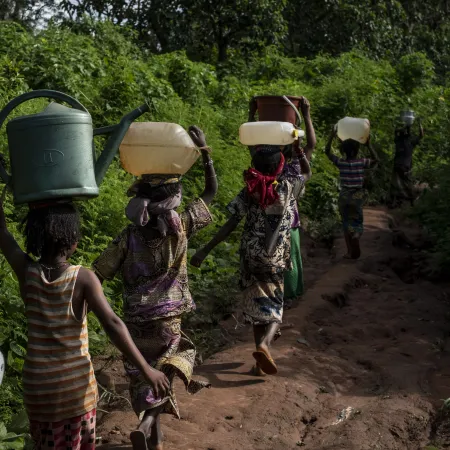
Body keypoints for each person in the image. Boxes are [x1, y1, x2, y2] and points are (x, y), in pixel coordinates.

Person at [0, 200, 169, 450]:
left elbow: (2, 233)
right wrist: (146, 369)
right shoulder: (83, 278)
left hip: (38, 390)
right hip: (74, 391)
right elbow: (112, 324)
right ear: (72, 240)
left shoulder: (27, 271)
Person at [92, 126, 217, 450]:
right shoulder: (181, 228)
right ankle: (147, 422)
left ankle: (153, 439)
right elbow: (209, 195)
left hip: (134, 322)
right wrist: (205, 155)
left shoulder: (128, 236)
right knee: (167, 372)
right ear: (172, 200)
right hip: (168, 322)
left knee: (140, 376)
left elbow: (98, 273)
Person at [191, 144, 311, 377]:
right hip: (275, 258)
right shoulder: (289, 188)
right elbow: (306, 174)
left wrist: (204, 250)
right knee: (276, 305)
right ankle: (266, 344)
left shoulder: (249, 191)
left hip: (250, 257)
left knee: (256, 305)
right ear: (280, 167)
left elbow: (230, 224)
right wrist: (299, 152)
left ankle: (258, 361)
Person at [280, 97, 316, 306]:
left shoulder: (264, 168)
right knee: (289, 259)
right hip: (290, 223)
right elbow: (310, 145)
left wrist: (253, 116)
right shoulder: (296, 169)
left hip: (269, 224)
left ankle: (282, 299)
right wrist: (307, 113)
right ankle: (286, 298)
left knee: (284, 260)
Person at [325, 127, 378, 259]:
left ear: (344, 151)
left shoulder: (341, 162)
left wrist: (332, 136)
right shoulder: (361, 162)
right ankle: (357, 234)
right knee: (357, 220)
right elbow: (376, 160)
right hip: (357, 195)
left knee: (345, 223)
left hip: (344, 196)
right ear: (356, 150)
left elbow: (327, 152)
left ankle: (349, 252)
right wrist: (369, 145)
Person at [390, 119, 424, 207]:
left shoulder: (398, 141)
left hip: (397, 165)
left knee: (395, 184)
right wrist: (419, 123)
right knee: (408, 184)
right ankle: (411, 201)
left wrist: (404, 126)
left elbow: (396, 131)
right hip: (406, 167)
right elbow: (421, 135)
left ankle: (394, 201)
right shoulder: (410, 142)